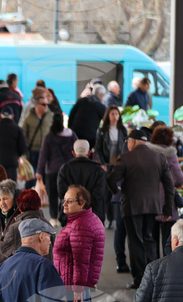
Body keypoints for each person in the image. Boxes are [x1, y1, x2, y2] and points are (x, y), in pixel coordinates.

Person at [108, 130, 175, 289]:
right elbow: (169, 185)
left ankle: (139, 280)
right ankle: (153, 277)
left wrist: (117, 191)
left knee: (136, 241)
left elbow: (111, 179)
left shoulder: (125, 157)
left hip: (132, 206)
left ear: (132, 141)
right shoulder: (159, 157)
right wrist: (167, 209)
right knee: (150, 240)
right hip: (153, 206)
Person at [53, 184, 105, 302]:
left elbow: (81, 262)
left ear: (82, 203)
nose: (64, 204)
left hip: (73, 286)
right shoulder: (85, 219)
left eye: (69, 201)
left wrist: (78, 289)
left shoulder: (80, 226)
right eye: (64, 200)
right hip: (76, 283)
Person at [149, 127, 183, 255]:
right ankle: (166, 270)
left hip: (150, 202)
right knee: (168, 242)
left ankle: (152, 269)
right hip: (167, 202)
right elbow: (179, 180)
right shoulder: (171, 155)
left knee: (151, 240)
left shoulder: (148, 154)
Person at [95, 106, 128, 249]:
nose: (115, 116)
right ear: (108, 116)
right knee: (107, 192)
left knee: (119, 191)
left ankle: (116, 217)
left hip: (119, 164)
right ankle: (110, 218)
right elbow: (98, 148)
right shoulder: (102, 131)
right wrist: (102, 163)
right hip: (107, 164)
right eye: (112, 114)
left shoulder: (123, 130)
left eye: (117, 114)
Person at [37, 114, 78, 221]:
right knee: (68, 194)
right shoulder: (71, 134)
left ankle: (54, 218)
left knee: (53, 194)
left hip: (52, 170)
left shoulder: (49, 136)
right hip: (68, 170)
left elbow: (43, 155)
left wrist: (39, 171)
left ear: (52, 122)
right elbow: (77, 150)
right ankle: (68, 216)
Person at [58, 140, 108, 224]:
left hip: (70, 215)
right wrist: (85, 205)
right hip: (94, 214)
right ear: (89, 153)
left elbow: (61, 192)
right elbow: (99, 192)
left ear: (73, 153)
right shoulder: (98, 169)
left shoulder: (65, 169)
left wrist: (74, 204)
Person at [0, 107, 27, 181]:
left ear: (0, 115)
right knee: (11, 184)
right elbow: (23, 146)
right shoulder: (18, 129)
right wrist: (17, 155)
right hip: (12, 160)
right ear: (12, 116)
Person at [67, 84, 107, 149]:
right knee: (87, 154)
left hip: (75, 134)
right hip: (90, 137)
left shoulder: (81, 101)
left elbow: (71, 115)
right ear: (101, 95)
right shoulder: (100, 106)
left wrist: (70, 130)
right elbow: (107, 121)